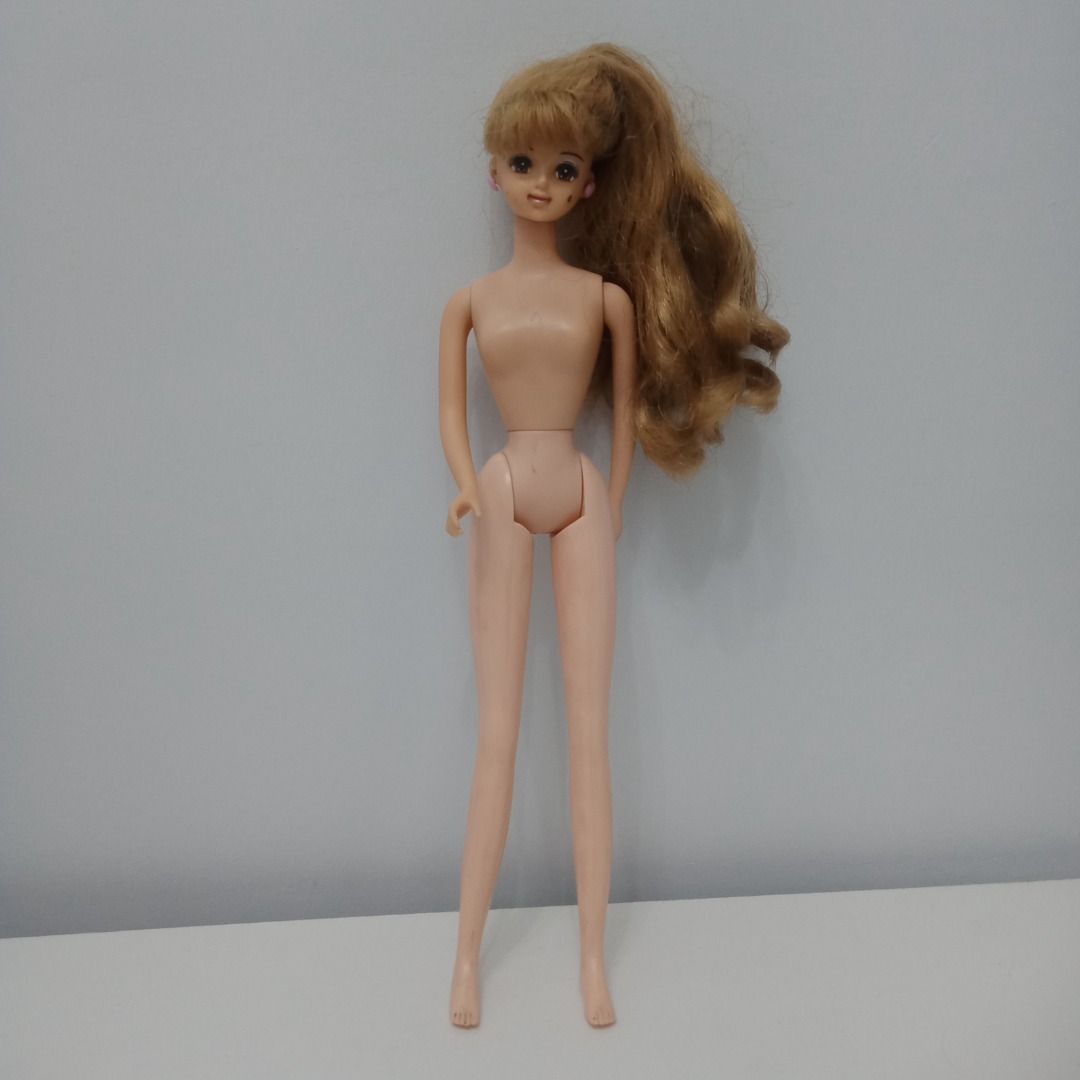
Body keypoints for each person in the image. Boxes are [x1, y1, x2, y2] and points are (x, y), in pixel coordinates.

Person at [437, 41, 790, 1028]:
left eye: (562, 169)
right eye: (523, 164)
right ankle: (464, 958)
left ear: (588, 184)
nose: (540, 184)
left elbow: (627, 408)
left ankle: (592, 960)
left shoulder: (608, 299)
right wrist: (466, 487)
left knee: (589, 733)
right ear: (494, 170)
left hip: (584, 494)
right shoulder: (470, 301)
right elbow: (451, 413)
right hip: (506, 489)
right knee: (499, 733)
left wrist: (619, 494)